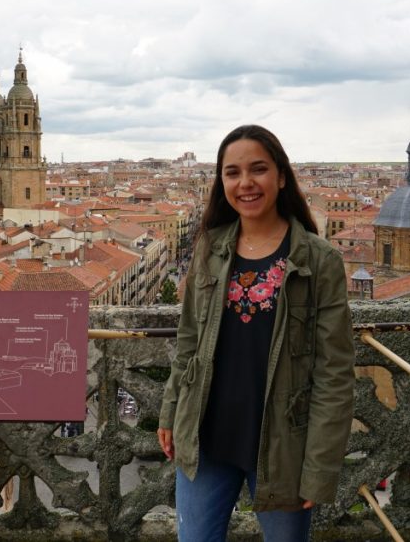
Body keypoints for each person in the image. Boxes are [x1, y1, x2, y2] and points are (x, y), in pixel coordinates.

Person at [158, 124, 355, 541]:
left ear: (281, 176)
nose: (245, 183)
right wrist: (171, 410)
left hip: (284, 446)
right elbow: (189, 340)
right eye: (232, 172)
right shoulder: (210, 247)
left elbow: (334, 372)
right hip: (207, 435)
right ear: (221, 182)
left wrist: (319, 467)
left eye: (258, 169)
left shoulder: (319, 261)